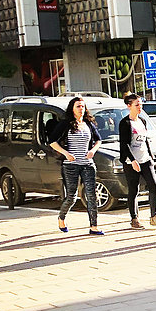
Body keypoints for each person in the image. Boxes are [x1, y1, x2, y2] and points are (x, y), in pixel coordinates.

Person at [48, 96, 103, 235]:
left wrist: (92, 151)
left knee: (91, 195)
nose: (81, 109)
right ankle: (61, 218)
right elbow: (52, 141)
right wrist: (65, 153)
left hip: (87, 164)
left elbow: (98, 140)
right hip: (71, 165)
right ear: (72, 108)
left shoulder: (88, 123)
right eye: (78, 106)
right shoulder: (66, 123)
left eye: (83, 106)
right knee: (71, 197)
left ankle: (94, 226)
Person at [119, 93, 156, 229]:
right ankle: (134, 219)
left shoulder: (142, 121)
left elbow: (145, 141)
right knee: (134, 190)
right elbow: (124, 144)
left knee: (153, 186)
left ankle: (154, 216)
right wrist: (133, 161)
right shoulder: (125, 123)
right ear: (129, 106)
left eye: (141, 104)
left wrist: (151, 157)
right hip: (131, 161)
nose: (140, 107)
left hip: (145, 159)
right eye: (137, 105)